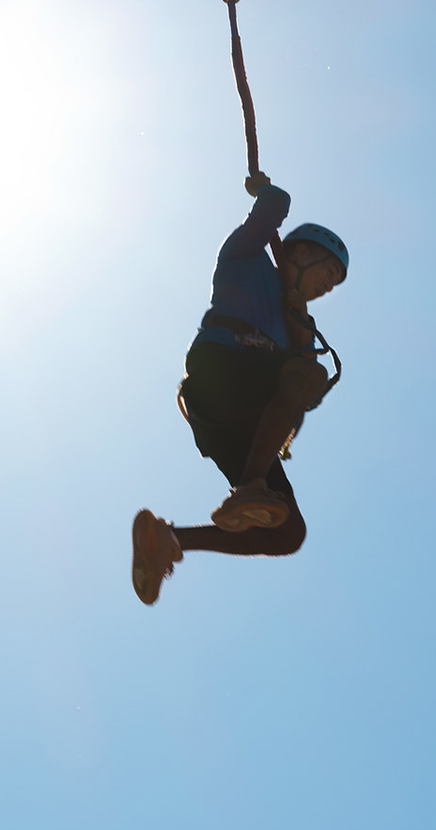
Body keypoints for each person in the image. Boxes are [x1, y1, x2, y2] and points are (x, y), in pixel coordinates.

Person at [131, 173, 350, 605]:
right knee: (309, 375)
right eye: (327, 275)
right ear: (300, 252)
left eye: (331, 287)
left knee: (288, 532)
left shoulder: (298, 326)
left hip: (238, 427)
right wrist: (265, 196)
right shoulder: (246, 261)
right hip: (222, 370)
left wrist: (297, 322)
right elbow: (275, 206)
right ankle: (250, 485)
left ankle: (169, 539)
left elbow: (303, 387)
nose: (326, 289)